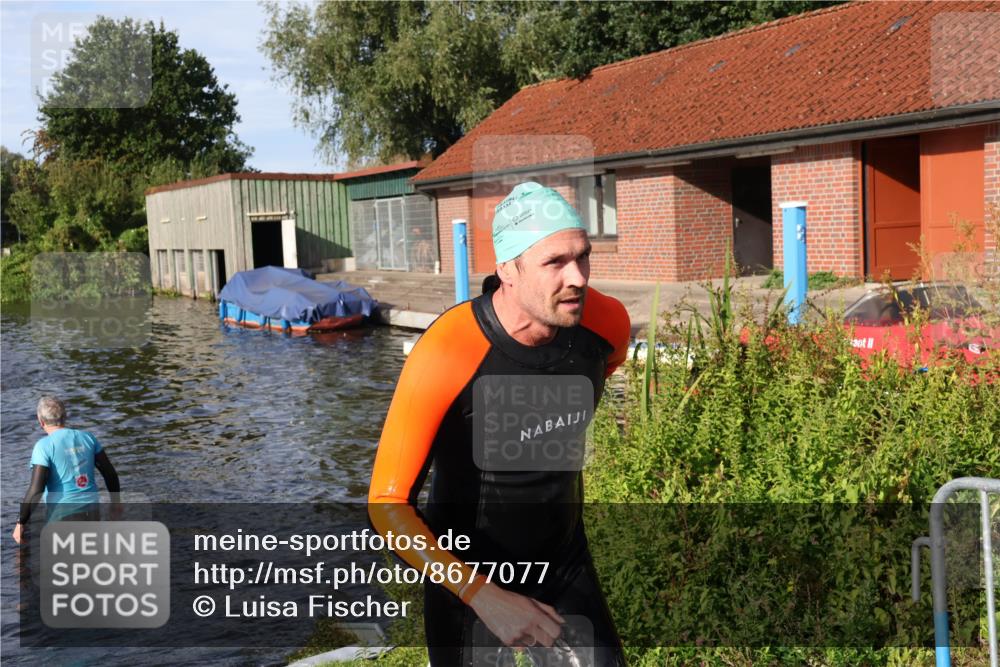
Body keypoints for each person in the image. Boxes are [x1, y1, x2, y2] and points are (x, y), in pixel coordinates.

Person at [369, 182, 630, 666]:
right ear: (507, 270)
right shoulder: (448, 350)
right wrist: (483, 595)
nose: (577, 277)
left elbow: (604, 369)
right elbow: (386, 506)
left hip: (562, 561)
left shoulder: (605, 325)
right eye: (554, 262)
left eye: (583, 256)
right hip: (466, 578)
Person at [12, 396, 121, 544]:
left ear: (41, 421)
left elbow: (36, 489)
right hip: (92, 511)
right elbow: (110, 474)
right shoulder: (88, 438)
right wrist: (116, 503)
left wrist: (21, 522)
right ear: (65, 417)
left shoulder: (43, 446)